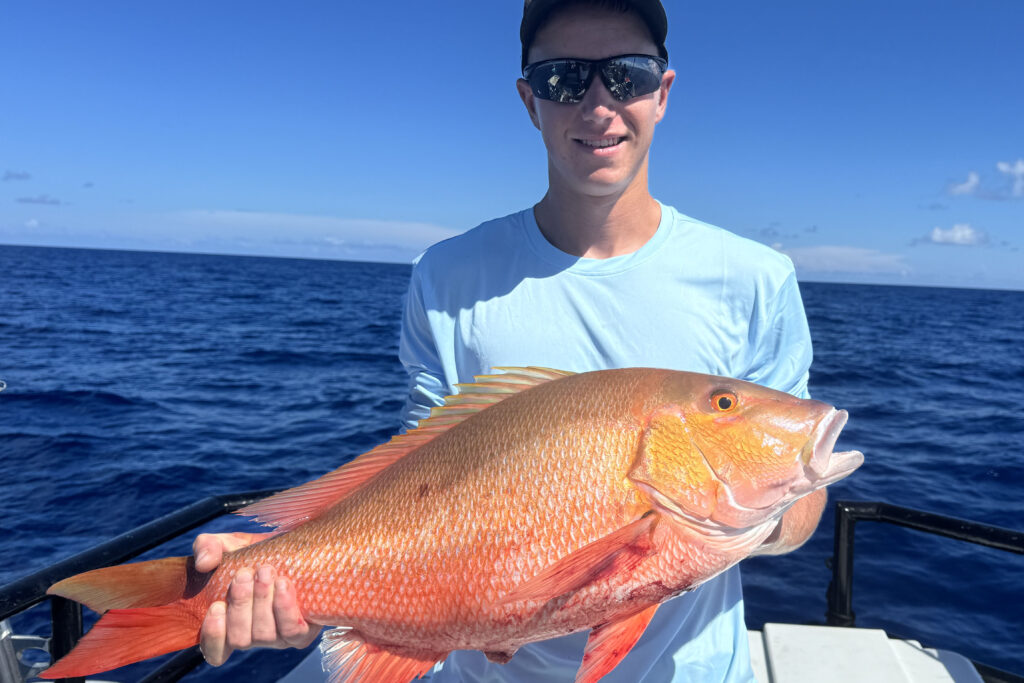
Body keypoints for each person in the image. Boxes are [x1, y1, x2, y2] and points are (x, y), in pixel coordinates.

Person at [192, 0, 827, 680]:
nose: (598, 104)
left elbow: (803, 495)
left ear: (663, 93)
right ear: (529, 101)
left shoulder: (755, 277)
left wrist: (732, 518)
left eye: (628, 75)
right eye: (562, 79)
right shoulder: (448, 275)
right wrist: (282, 563)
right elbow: (418, 482)